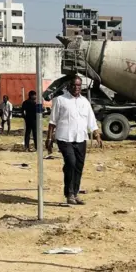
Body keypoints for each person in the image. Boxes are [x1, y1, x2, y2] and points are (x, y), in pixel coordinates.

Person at [45, 75, 101, 205]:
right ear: (69, 86)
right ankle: (69, 193)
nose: (76, 88)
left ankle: (75, 194)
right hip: (64, 137)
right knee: (71, 162)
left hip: (81, 138)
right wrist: (49, 138)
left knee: (79, 166)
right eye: (74, 85)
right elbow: (52, 121)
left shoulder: (84, 102)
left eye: (79, 85)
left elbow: (91, 120)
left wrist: (97, 134)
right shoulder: (60, 100)